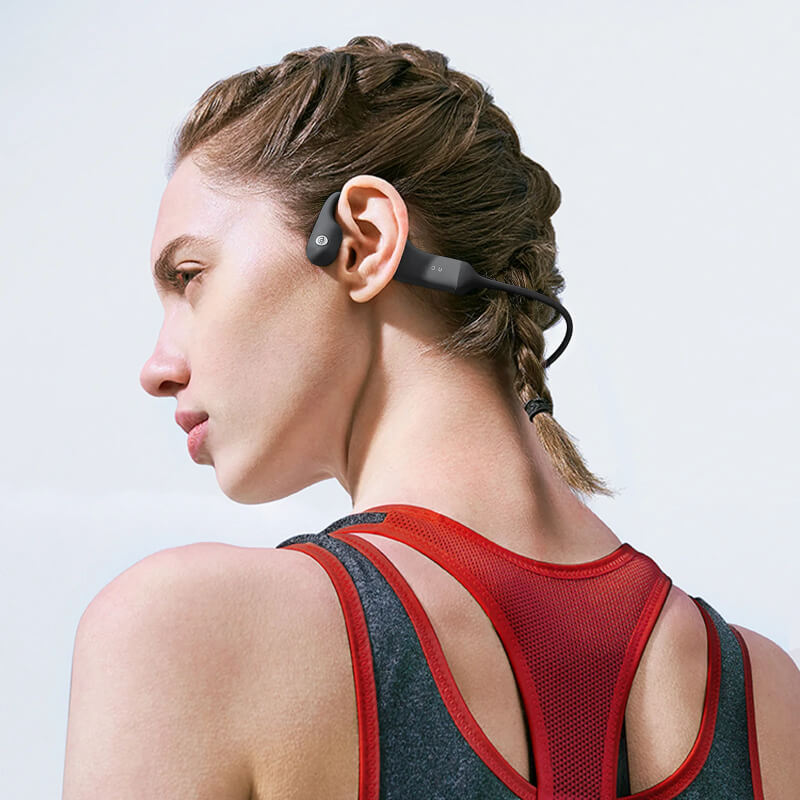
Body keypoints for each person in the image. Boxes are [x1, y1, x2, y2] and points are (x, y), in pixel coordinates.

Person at [63, 36, 799, 799]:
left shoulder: (188, 635)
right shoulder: (769, 702)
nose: (157, 368)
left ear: (366, 241)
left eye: (190, 277)